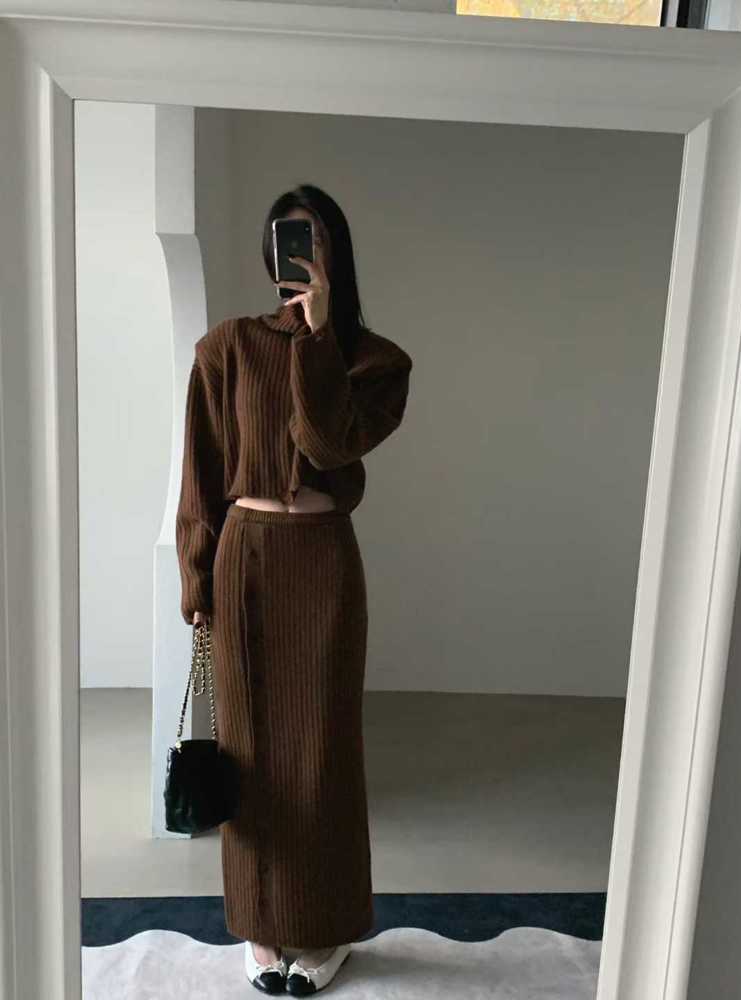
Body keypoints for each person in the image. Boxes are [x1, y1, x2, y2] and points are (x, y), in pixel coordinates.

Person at [175, 184, 413, 995]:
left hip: (322, 562)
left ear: (335, 253)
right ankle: (260, 925)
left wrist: (317, 337)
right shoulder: (228, 346)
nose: (300, 254)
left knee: (322, 751)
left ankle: (323, 927)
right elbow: (202, 468)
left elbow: (327, 442)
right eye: (287, 238)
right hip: (244, 559)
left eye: (313, 239)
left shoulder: (374, 362)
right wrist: (195, 573)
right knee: (248, 750)